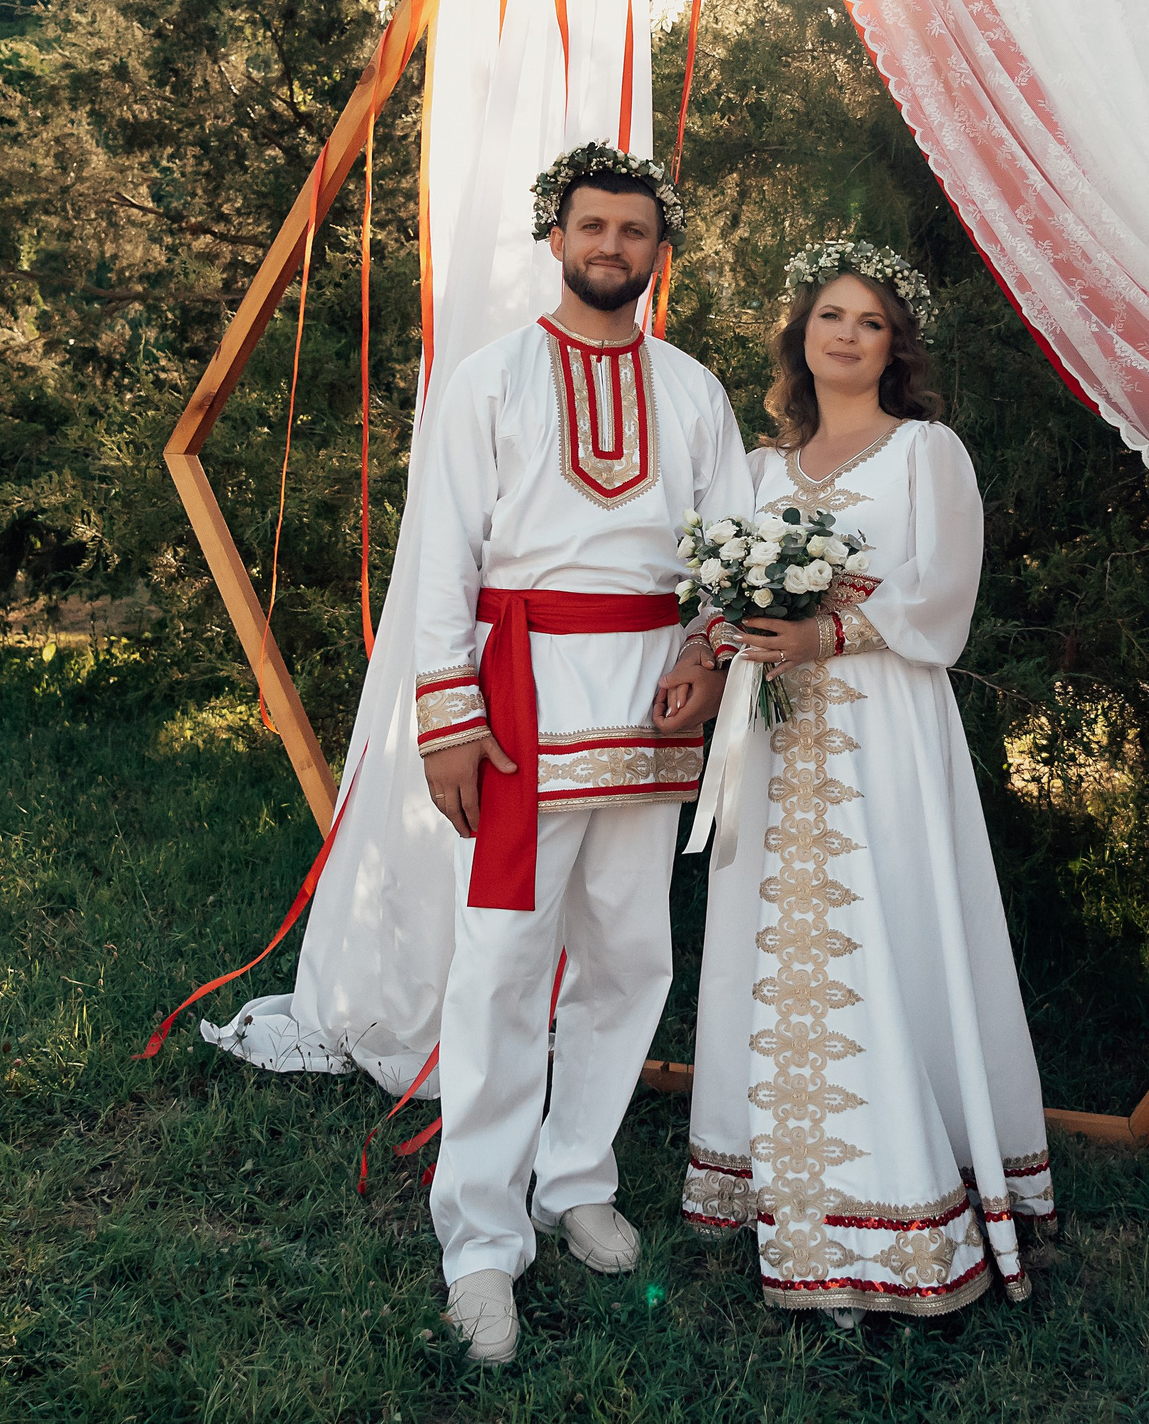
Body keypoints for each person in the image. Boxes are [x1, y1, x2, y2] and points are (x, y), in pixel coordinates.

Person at [413, 144, 751, 1363]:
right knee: (502, 963)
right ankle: (479, 1238)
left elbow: (726, 549)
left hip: (651, 702)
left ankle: (575, 1178)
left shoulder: (692, 391)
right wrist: (449, 716)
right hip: (521, 701)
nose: (613, 246)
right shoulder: (491, 379)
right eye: (592, 226)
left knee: (628, 950)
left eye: (634, 230)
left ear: (660, 250)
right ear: (554, 238)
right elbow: (441, 556)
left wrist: (708, 651)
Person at [681, 240, 1055, 1324]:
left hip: (883, 731)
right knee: (769, 941)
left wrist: (830, 632)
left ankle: (894, 1201)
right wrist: (715, 641)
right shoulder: (758, 470)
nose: (846, 335)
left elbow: (945, 592)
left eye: (871, 322)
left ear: (897, 348)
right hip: (774, 737)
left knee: (886, 931)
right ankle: (776, 1184)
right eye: (831, 316)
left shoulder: (926, 452)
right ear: (801, 333)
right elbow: (711, 589)